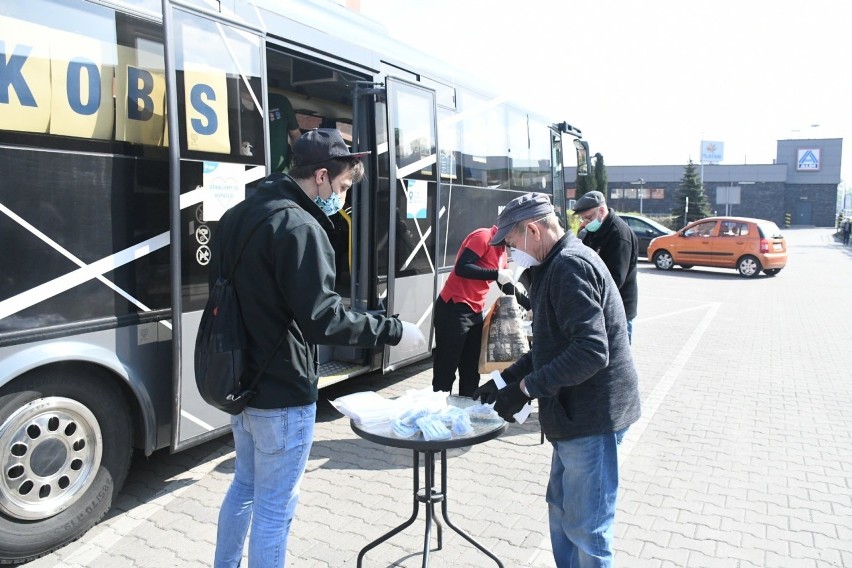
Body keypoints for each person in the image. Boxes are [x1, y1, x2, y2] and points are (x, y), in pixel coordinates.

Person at [211, 128, 425, 568]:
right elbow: (322, 317)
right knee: (274, 506)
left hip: (240, 377)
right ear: (323, 176)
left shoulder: (240, 212)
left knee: (244, 488)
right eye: (344, 187)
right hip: (282, 387)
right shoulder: (300, 225)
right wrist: (391, 330)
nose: (343, 200)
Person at [473, 192, 641, 568]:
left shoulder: (570, 266)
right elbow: (551, 345)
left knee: (587, 527)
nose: (509, 254)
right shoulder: (553, 266)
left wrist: (526, 389)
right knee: (561, 505)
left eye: (511, 244)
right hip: (572, 416)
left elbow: (591, 352)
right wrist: (505, 381)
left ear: (532, 230)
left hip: (593, 416)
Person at [432, 226, 529, 397]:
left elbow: (505, 284)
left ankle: (467, 410)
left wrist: (530, 305)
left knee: (471, 368)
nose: (514, 242)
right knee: (446, 366)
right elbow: (462, 267)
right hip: (454, 307)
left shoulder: (501, 251)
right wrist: (495, 274)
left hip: (475, 311)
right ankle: (437, 411)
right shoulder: (483, 237)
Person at [572, 190, 639, 343]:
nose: (586, 222)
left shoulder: (619, 235)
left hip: (618, 310)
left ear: (602, 210)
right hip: (598, 307)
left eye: (588, 218)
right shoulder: (592, 230)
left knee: (619, 361)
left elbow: (615, 279)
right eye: (583, 218)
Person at [268, 92, 302, 172]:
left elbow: (296, 135)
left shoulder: (279, 101)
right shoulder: (233, 100)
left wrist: (301, 164)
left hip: (279, 173)